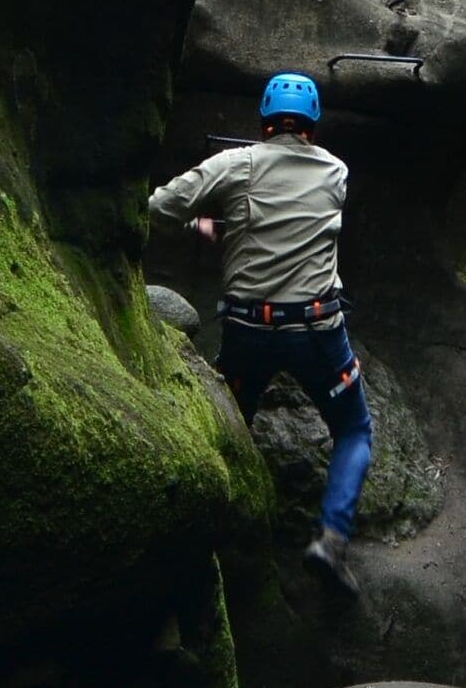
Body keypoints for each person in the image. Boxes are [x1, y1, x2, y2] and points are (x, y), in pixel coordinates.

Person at [148, 72, 370, 594]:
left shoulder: (234, 164)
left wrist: (202, 224)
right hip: (317, 329)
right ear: (312, 124)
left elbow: (160, 207)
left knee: (230, 426)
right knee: (354, 428)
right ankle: (331, 539)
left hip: (250, 328)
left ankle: (216, 540)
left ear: (264, 122)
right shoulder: (336, 172)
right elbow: (292, 221)